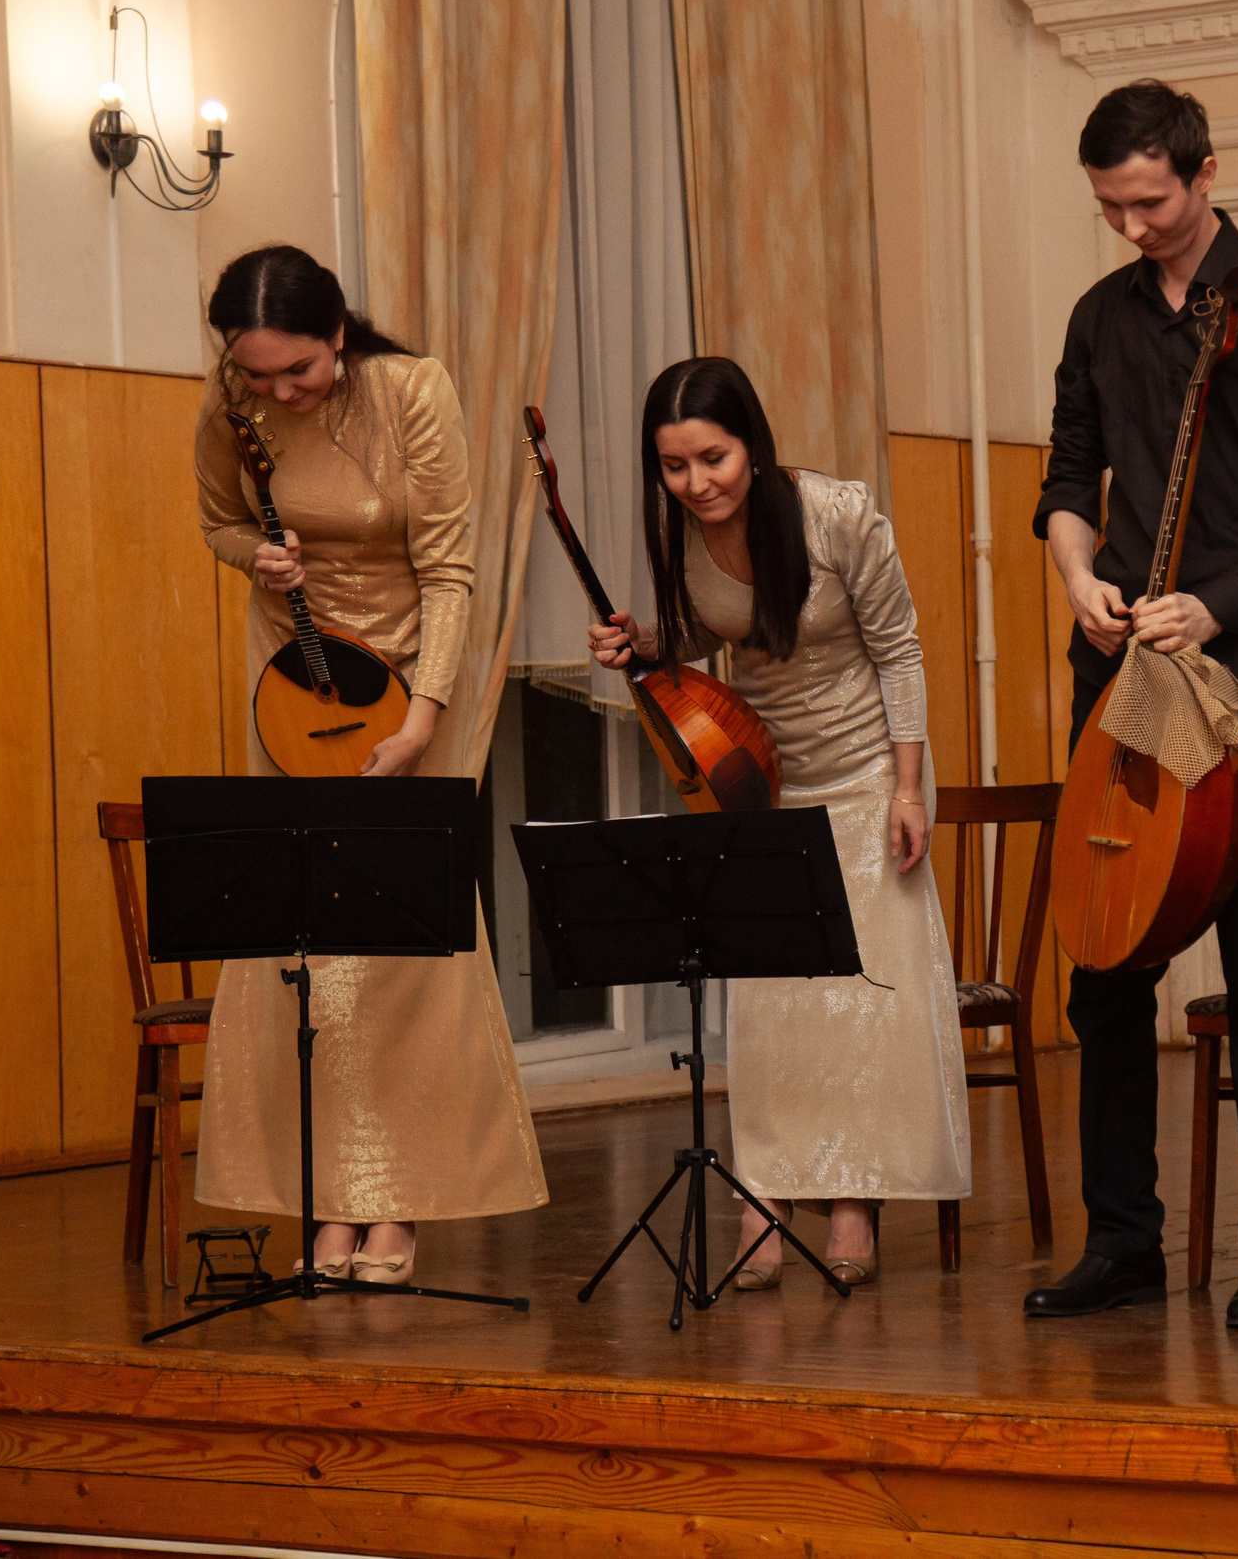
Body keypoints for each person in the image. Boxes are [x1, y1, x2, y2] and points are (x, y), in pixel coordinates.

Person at [1026, 80, 1238, 1330]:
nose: (1133, 228)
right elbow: (1069, 474)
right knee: (1105, 961)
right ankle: (1121, 1238)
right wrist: (1079, 576)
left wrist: (1218, 605)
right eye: (1110, 208)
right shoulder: (1099, 316)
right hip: (1118, 677)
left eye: (1152, 202)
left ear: (1204, 172)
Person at [192, 244, 547, 1284]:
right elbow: (218, 519)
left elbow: (449, 568)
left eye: (298, 369)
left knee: (399, 951)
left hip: (409, 682)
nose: (277, 392)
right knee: (306, 942)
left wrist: (427, 715)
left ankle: (392, 1195)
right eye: (257, 373)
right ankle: (323, 1192)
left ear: (338, 335)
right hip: (294, 681)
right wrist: (252, 555)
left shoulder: (412, 391)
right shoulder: (231, 401)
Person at [589, 356, 967, 1287]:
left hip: (869, 773)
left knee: (860, 998)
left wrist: (909, 790)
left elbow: (901, 652)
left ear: (751, 444)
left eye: (712, 458)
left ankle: (852, 1201)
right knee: (771, 1006)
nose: (696, 483)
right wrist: (640, 643)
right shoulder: (683, 537)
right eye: (674, 466)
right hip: (761, 779)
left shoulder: (838, 514)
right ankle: (764, 1194)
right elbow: (701, 637)